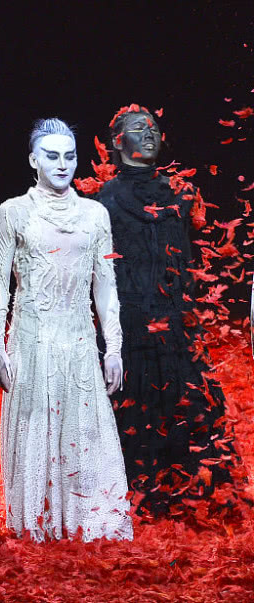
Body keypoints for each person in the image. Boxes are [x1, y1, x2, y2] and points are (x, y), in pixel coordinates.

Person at [97, 105, 243, 517]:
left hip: (176, 322)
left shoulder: (182, 193)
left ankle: (189, 493)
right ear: (116, 142)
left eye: (155, 127)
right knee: (133, 406)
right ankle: (136, 491)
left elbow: (193, 259)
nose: (149, 134)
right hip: (129, 323)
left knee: (186, 403)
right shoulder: (103, 200)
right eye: (137, 128)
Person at [0, 118, 132, 541]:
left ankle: (86, 519)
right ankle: (38, 520)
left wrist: (114, 348)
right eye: (51, 156)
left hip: (79, 340)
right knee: (35, 427)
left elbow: (105, 286)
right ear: (33, 160)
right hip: (31, 340)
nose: (62, 164)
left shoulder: (95, 214)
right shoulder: (12, 213)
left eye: (69, 156)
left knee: (84, 429)